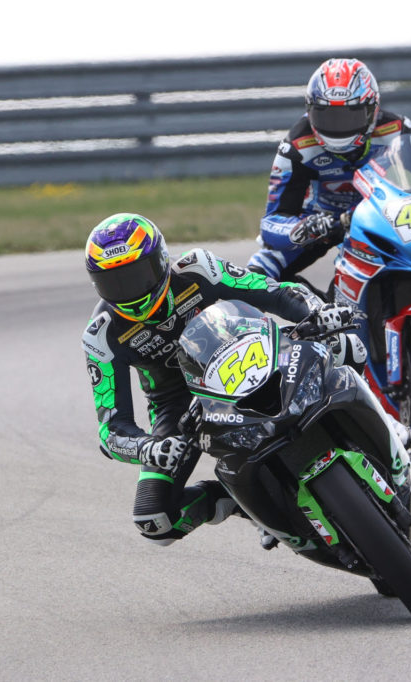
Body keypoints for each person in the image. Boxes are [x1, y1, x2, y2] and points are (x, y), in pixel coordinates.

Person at [81, 213, 362, 546]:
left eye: (136, 276)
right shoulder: (100, 336)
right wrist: (147, 448)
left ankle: (383, 421)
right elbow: (111, 429)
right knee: (154, 520)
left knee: (344, 344)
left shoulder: (197, 267)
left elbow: (273, 291)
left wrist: (317, 311)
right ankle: (240, 503)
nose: (129, 291)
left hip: (247, 352)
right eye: (114, 282)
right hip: (181, 406)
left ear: (160, 259)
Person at [247, 57, 411, 281]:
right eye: (327, 116)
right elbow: (271, 222)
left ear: (372, 111)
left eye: (350, 116)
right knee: (257, 271)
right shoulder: (296, 147)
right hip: (323, 221)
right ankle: (308, 315)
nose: (338, 128)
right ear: (310, 111)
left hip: (387, 215)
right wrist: (300, 230)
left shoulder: (398, 130)